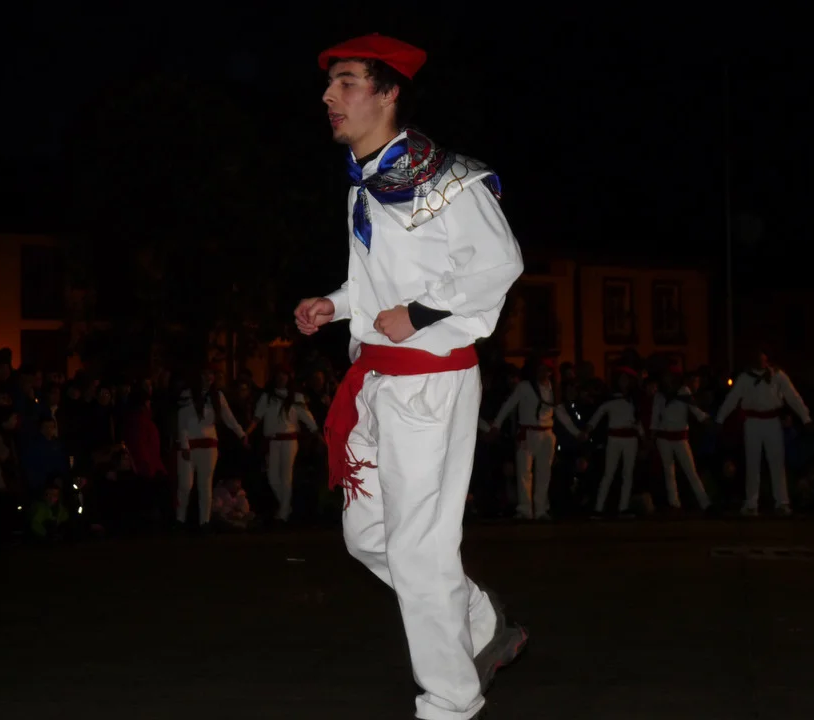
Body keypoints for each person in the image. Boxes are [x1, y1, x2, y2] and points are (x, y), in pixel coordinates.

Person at [295, 33, 526, 720]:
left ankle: (451, 701)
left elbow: (499, 263)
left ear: (388, 92)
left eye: (346, 81)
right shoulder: (368, 181)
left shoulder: (447, 179)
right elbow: (383, 284)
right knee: (369, 537)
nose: (329, 96)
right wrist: (336, 304)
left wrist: (420, 314)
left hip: (429, 380)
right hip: (377, 380)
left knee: (419, 548)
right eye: (330, 83)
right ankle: (478, 619)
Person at [716, 351, 811, 516]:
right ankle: (751, 503)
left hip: (772, 421)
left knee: (777, 462)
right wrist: (720, 419)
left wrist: (806, 418)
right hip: (752, 422)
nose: (760, 360)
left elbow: (793, 397)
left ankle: (782, 502)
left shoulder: (778, 375)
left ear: (767, 359)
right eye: (757, 356)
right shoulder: (745, 378)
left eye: (763, 356)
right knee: (752, 463)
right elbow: (732, 399)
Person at [489, 357, 580, 520]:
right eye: (540, 368)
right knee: (524, 472)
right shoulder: (524, 386)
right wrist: (496, 424)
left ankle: (541, 510)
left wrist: (577, 432)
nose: (543, 372)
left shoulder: (553, 389)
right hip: (527, 433)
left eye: (546, 369)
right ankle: (525, 509)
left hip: (547, 434)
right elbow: (509, 405)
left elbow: (561, 413)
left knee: (544, 473)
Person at [176, 364, 247, 531]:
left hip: (209, 446)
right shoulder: (187, 395)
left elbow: (229, 418)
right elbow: (182, 422)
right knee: (185, 485)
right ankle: (180, 519)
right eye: (205, 374)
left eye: (211, 374)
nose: (208, 377)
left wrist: (242, 434)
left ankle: (204, 522)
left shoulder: (217, 396)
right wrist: (184, 444)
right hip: (189, 446)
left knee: (205, 485)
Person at [247, 364, 319, 522]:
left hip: (289, 441)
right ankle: (286, 507)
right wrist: (246, 433)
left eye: (284, 375)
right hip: (273, 441)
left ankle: (283, 514)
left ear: (288, 378)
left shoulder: (296, 397)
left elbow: (307, 417)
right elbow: (257, 417)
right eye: (279, 375)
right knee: (272, 476)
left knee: (286, 476)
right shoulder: (267, 397)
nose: (281, 378)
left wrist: (317, 432)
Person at [651, 367, 715, 514]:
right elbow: (655, 417)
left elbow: (695, 409)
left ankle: (705, 503)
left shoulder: (684, 392)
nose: (667, 379)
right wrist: (652, 435)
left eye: (670, 376)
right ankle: (674, 504)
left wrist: (706, 419)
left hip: (680, 438)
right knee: (669, 472)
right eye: (665, 376)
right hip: (663, 437)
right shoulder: (659, 395)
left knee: (690, 471)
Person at [586, 366, 644, 518]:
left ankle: (623, 508)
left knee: (628, 474)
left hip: (631, 439)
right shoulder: (610, 399)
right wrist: (588, 429)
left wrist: (643, 437)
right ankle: (598, 508)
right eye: (621, 378)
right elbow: (597, 415)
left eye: (626, 378)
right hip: (614, 438)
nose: (624, 381)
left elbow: (637, 421)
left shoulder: (634, 400)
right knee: (609, 473)